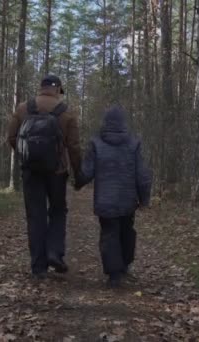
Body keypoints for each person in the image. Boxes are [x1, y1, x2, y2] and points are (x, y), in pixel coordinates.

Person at [7, 75, 82, 279]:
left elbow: (11, 137)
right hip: (57, 172)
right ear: (57, 89)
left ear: (41, 88)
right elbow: (74, 147)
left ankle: (38, 267)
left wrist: (27, 156)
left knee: (35, 216)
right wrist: (78, 173)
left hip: (31, 172)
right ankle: (54, 252)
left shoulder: (24, 108)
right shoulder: (66, 112)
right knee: (58, 211)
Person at [76, 106, 152, 288]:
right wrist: (144, 198)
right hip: (127, 200)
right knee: (127, 230)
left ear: (105, 123)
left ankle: (114, 275)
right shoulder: (134, 143)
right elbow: (143, 175)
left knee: (109, 234)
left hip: (105, 200)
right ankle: (124, 265)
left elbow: (87, 172)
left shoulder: (96, 143)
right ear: (123, 123)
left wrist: (76, 181)